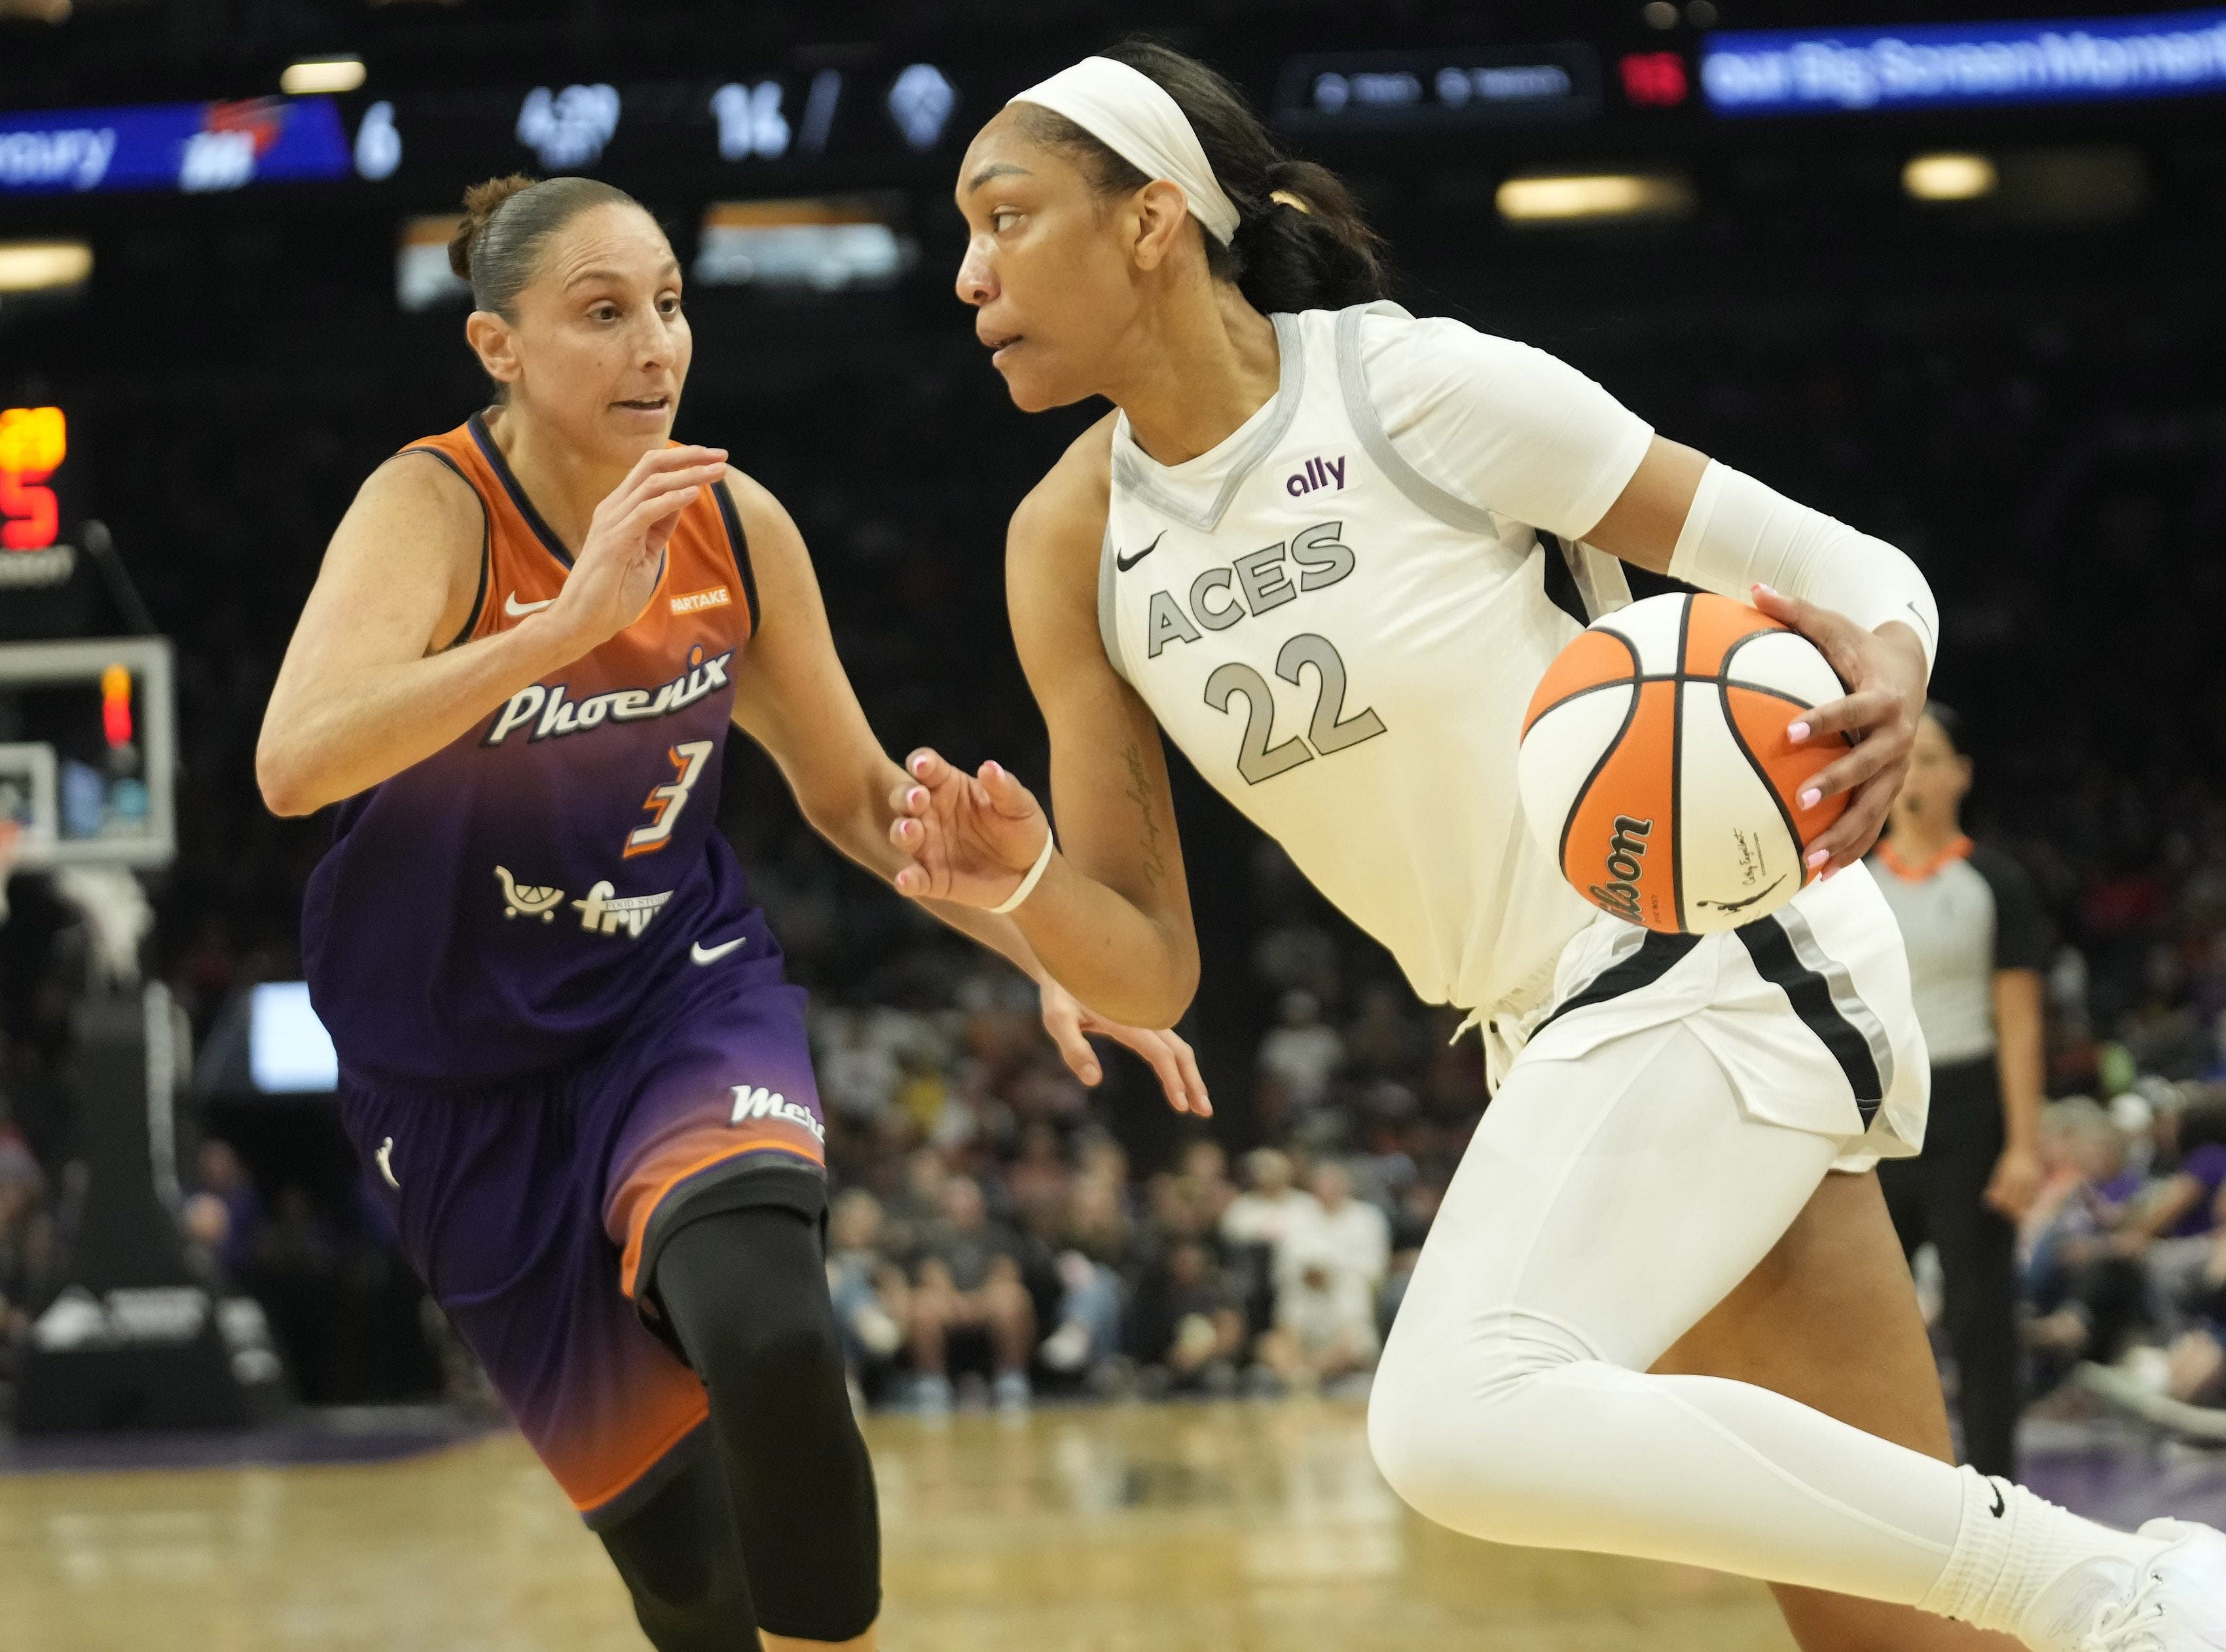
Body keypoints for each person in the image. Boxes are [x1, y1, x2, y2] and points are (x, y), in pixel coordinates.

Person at [888, 42, 2226, 1652]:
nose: (964, 273)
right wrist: (1022, 888)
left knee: (1452, 1414)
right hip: (1558, 1035)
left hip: (1706, 944)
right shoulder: (1065, 537)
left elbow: (1824, 556)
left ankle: (2121, 1582)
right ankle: (2121, 1599)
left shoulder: (1408, 391)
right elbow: (1148, 968)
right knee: (1891, 1632)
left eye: (1003, 217)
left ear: (1153, 219)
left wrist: (1888, 653)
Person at [257, 174, 1205, 1652]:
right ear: (496, 347)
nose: (655, 346)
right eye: (602, 313)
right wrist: (562, 626)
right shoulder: (432, 504)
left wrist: (1049, 953)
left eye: (669, 305)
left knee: (766, 1327)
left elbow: (849, 794)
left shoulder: (734, 524)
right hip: (449, 1077)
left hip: (669, 996)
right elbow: (295, 763)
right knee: (690, 1581)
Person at [1868, 704, 2050, 1478]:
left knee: (1980, 1317)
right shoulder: (1850, 882)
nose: (1913, 774)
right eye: (1900, 758)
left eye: (1930, 757)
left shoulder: (1995, 883)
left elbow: (2019, 1024)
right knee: (1868, 1314)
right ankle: (1876, 1479)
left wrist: (2022, 1146)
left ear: (1960, 775)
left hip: (1969, 1111)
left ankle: (1997, 1490)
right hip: (1877, 1113)